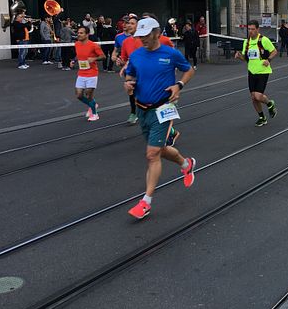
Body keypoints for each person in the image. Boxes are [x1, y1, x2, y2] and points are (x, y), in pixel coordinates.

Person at [123, 17, 196, 220]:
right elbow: (130, 77)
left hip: (163, 108)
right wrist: (128, 85)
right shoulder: (136, 56)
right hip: (142, 109)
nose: (142, 39)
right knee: (160, 150)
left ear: (156, 33)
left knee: (152, 154)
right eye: (139, 36)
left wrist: (178, 85)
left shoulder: (170, 53)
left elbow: (189, 69)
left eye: (145, 36)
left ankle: (146, 202)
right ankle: (186, 164)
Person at [235, 20, 278, 126]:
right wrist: (239, 56)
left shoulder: (263, 40)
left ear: (258, 29)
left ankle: (270, 103)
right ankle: (262, 117)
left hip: (263, 71)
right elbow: (247, 59)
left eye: (253, 29)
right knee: (253, 97)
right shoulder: (247, 42)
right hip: (251, 71)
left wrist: (268, 60)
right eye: (249, 29)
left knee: (258, 96)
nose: (250, 31)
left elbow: (274, 51)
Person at [74, 25, 105, 121]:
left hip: (92, 72)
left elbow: (103, 56)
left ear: (87, 34)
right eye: (78, 33)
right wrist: (74, 60)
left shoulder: (93, 45)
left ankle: (95, 114)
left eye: (81, 33)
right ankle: (93, 105)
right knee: (79, 95)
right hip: (81, 73)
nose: (79, 34)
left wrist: (94, 58)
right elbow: (78, 55)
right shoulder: (77, 44)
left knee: (88, 94)